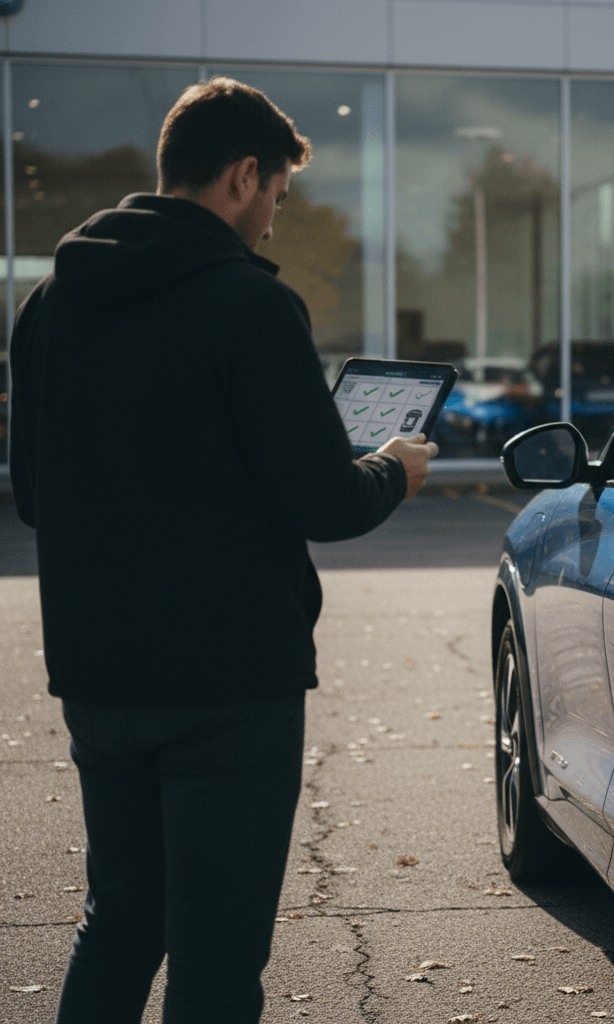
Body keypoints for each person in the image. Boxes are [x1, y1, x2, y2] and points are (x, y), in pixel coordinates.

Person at [8, 77, 437, 1024]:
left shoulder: (48, 306)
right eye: (278, 197)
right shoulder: (248, 307)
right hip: (229, 689)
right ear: (245, 175)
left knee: (117, 927)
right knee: (214, 957)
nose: (275, 223)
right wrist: (392, 471)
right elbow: (324, 499)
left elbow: (32, 496)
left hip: (99, 679)